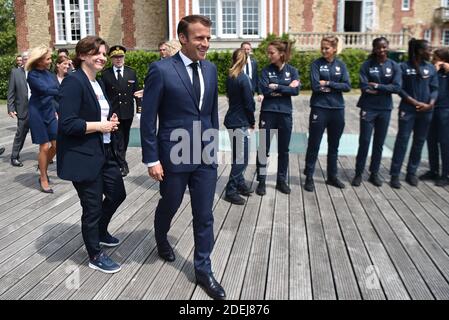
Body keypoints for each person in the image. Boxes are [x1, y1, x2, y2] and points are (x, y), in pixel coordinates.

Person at [140, 15, 225, 300]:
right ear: (183, 38)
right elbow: (148, 118)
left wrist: (213, 147)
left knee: (204, 215)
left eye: (208, 38)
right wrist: (152, 159)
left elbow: (211, 113)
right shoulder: (161, 70)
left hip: (204, 156)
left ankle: (203, 269)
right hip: (174, 155)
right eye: (200, 38)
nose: (206, 43)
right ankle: (161, 237)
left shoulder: (211, 69)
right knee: (170, 204)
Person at [57, 36, 125, 274]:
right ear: (83, 55)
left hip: (103, 151)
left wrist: (109, 122)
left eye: (104, 54)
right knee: (92, 207)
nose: (103, 58)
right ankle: (94, 254)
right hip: (83, 155)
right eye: (97, 53)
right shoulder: (73, 82)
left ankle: (100, 231)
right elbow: (67, 124)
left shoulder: (97, 82)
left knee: (118, 194)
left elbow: (97, 113)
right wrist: (100, 126)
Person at [303, 36, 351, 192]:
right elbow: (316, 86)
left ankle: (332, 176)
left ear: (334, 49)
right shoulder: (316, 64)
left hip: (337, 110)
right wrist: (330, 86)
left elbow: (347, 86)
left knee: (334, 146)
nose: (324, 50)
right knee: (314, 144)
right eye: (322, 47)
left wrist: (328, 83)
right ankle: (309, 177)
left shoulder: (341, 65)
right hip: (319, 108)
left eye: (327, 48)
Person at [352, 37, 402, 187]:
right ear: (374, 49)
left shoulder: (394, 66)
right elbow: (364, 86)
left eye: (384, 47)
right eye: (378, 48)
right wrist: (383, 87)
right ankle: (358, 173)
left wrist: (378, 87)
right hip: (368, 108)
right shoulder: (367, 65)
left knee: (379, 143)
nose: (381, 50)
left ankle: (374, 173)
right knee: (365, 141)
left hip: (385, 109)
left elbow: (397, 87)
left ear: (388, 47)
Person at [389, 39, 438, 189]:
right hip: (408, 110)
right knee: (402, 141)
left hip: (426, 111)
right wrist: (413, 102)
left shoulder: (430, 68)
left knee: (419, 142)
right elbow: (399, 88)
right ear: (419, 51)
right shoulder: (403, 67)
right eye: (428, 49)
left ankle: (411, 172)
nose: (431, 52)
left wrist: (430, 103)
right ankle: (395, 174)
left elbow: (435, 88)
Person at [255, 40, 300, 196]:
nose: (269, 55)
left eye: (271, 52)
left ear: (281, 54)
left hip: (285, 114)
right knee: (263, 149)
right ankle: (261, 181)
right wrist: (287, 87)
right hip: (268, 113)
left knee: (284, 150)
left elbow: (296, 91)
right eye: (268, 52)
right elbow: (265, 90)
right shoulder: (266, 71)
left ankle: (281, 180)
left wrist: (277, 87)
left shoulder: (293, 71)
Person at [101, 45, 141, 177]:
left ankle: (120, 160)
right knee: (116, 139)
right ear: (111, 59)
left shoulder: (131, 72)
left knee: (125, 138)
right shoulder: (106, 74)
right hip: (114, 113)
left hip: (128, 112)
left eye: (121, 57)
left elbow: (137, 92)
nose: (118, 59)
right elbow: (104, 94)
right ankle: (122, 164)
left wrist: (139, 109)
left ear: (124, 57)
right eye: (115, 57)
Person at [223, 48, 256, 205]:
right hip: (240, 122)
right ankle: (231, 190)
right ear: (245, 60)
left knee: (238, 156)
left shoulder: (231, 76)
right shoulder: (244, 79)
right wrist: (252, 121)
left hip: (231, 120)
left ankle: (241, 184)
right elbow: (249, 104)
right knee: (242, 158)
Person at [26, 45, 59, 193]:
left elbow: (57, 94)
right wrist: (62, 90)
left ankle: (42, 164)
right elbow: (45, 90)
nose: (50, 61)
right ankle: (43, 177)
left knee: (58, 144)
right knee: (44, 146)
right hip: (37, 113)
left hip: (50, 112)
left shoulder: (50, 74)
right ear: (39, 61)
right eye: (48, 59)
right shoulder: (32, 75)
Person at [421, 48, 449, 186]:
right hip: (431, 110)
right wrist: (434, 70)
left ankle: (445, 174)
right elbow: (424, 85)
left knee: (445, 143)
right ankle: (433, 170)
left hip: (445, 111)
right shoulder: (432, 71)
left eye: (436, 58)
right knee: (431, 141)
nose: (433, 60)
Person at [7, 51, 30, 167]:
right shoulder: (15, 73)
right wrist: (10, 107)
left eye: (28, 59)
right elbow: (11, 92)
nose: (26, 61)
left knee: (43, 133)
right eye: (25, 59)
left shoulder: (37, 72)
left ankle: (46, 155)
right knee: (20, 134)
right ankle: (14, 156)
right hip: (22, 109)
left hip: (37, 109)